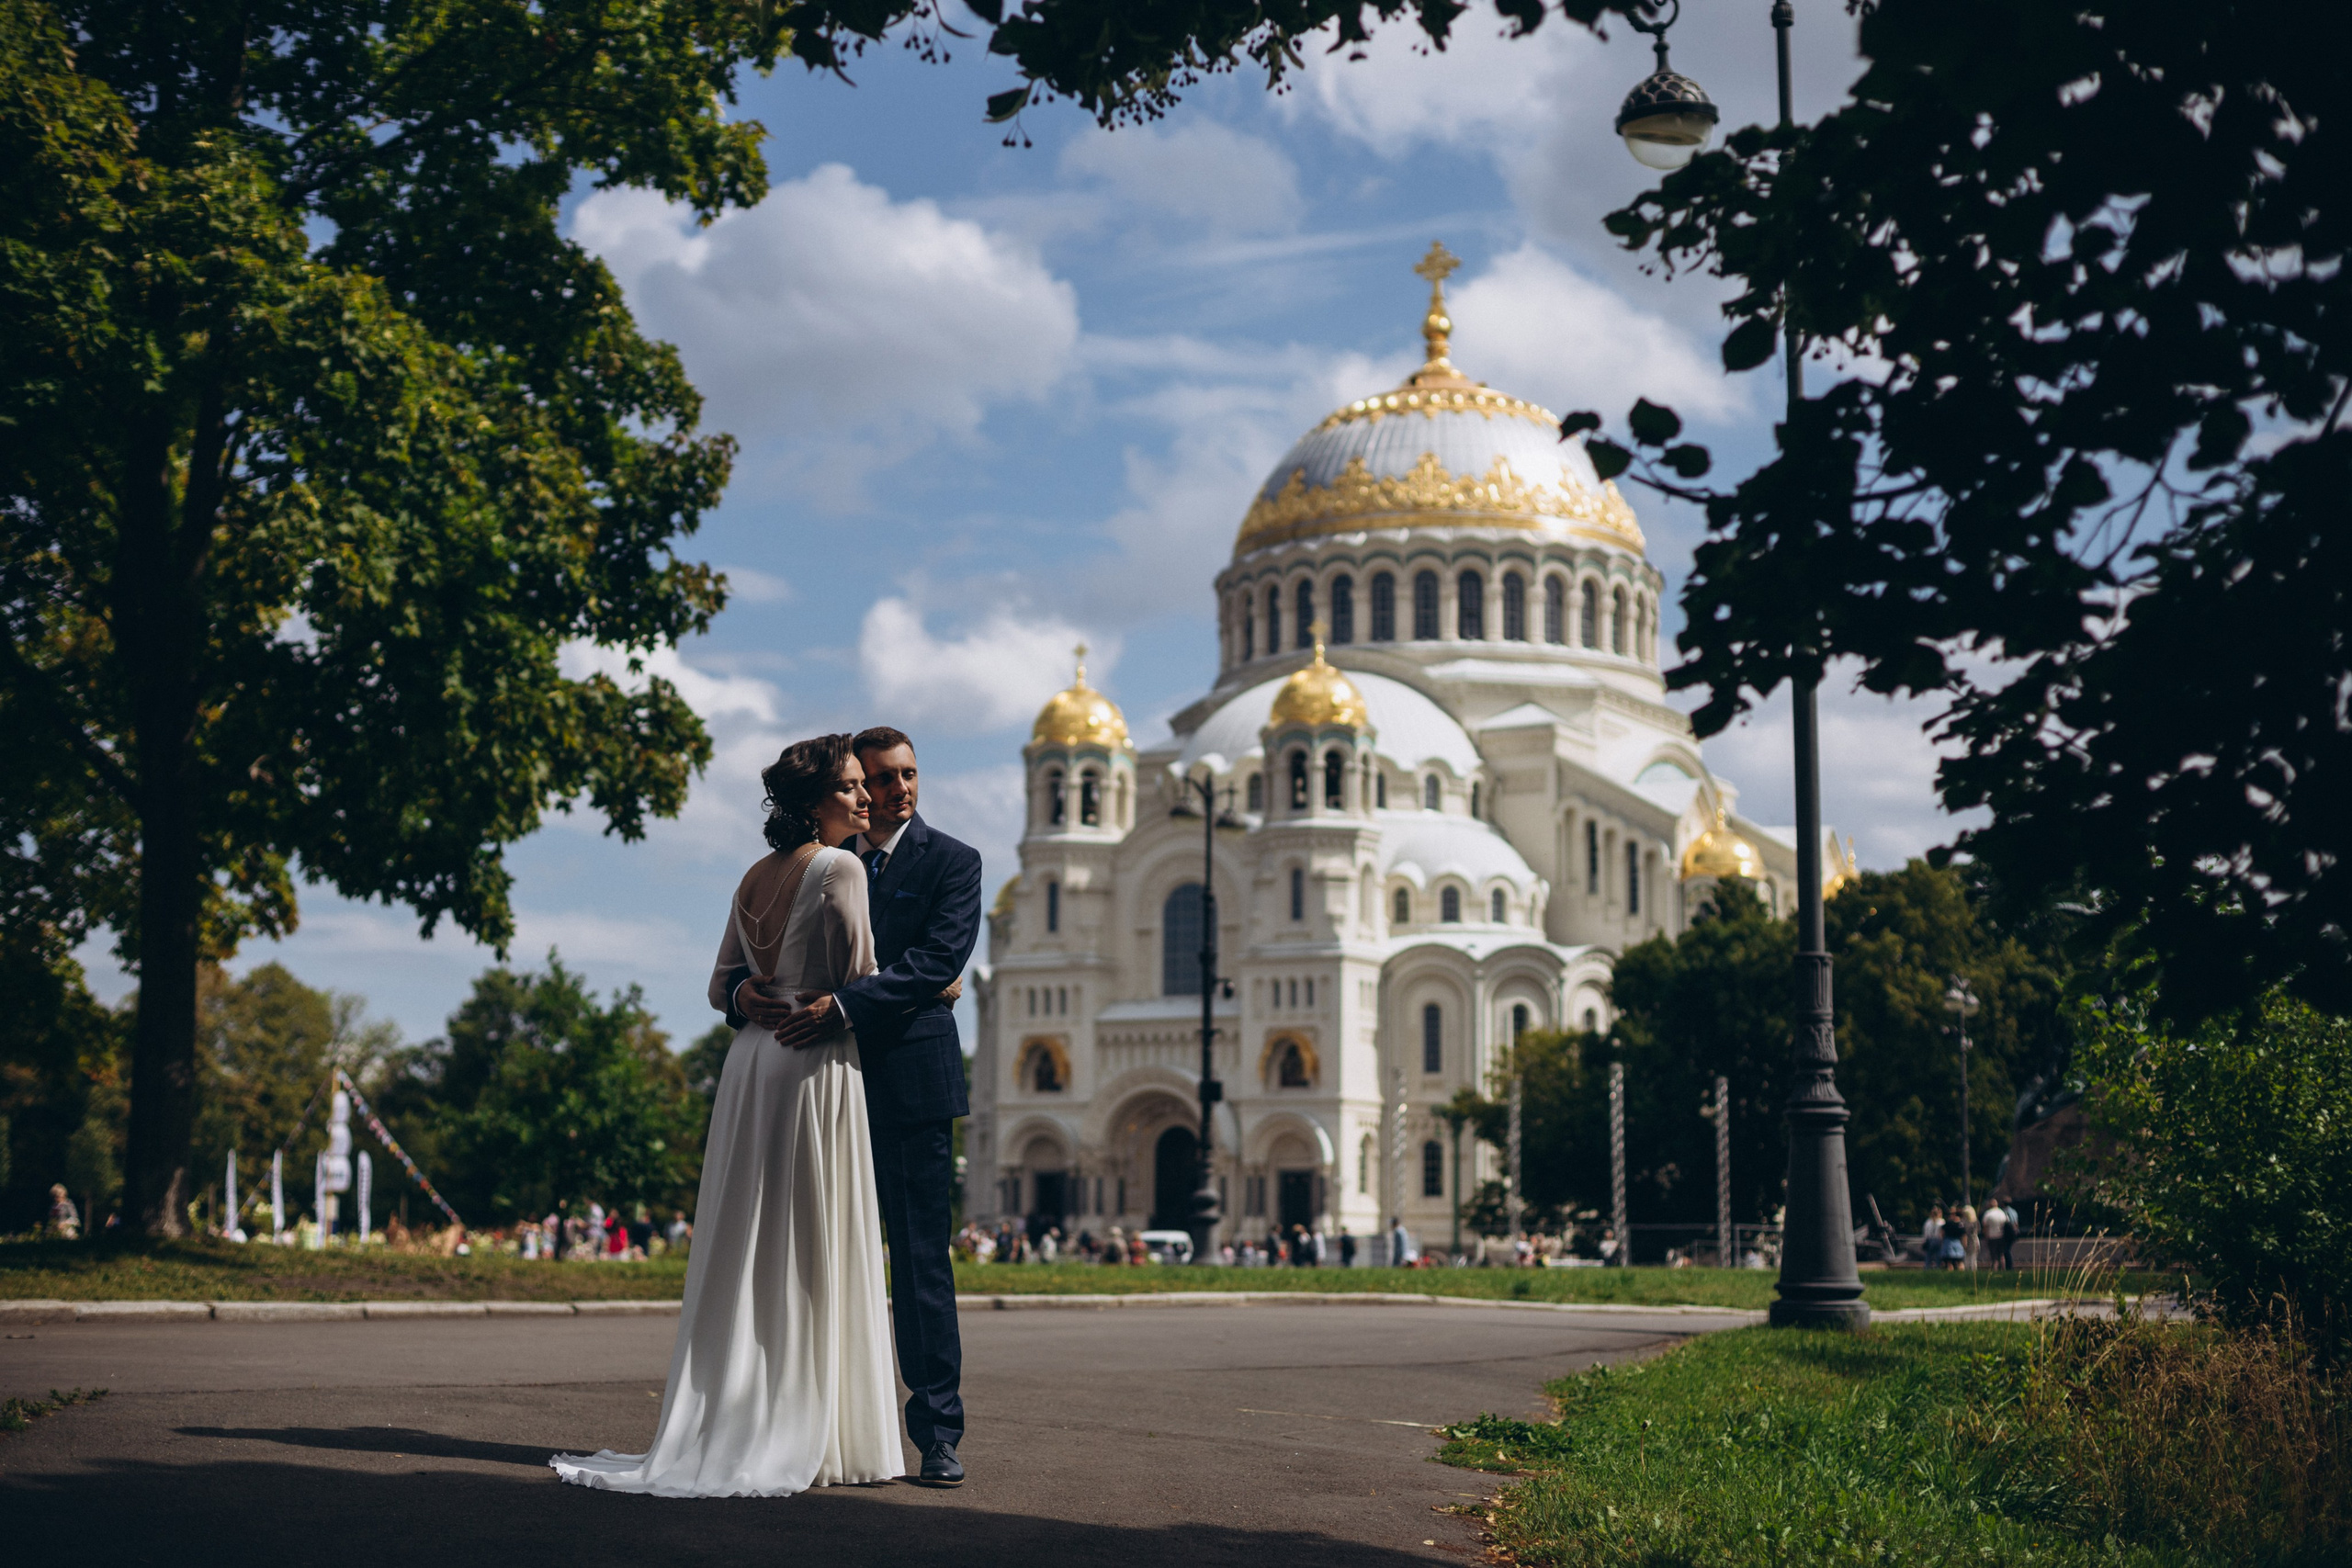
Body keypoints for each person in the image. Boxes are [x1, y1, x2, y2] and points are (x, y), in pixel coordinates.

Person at [551, 733, 901, 1497]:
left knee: (751, 1232)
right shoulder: (841, 867)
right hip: (812, 1061)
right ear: (814, 803)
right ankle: (818, 1426)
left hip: (750, 1063)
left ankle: (749, 1405)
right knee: (808, 1234)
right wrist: (928, 990)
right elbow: (860, 979)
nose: (864, 797)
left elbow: (723, 985)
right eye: (849, 788)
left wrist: (750, 997)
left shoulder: (754, 873)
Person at [745, 727, 982, 1490]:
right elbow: (770, 958)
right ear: (856, 784)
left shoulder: (952, 862)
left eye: (910, 773)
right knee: (814, 1255)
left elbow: (937, 963)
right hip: (817, 1081)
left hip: (907, 1082)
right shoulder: (820, 861)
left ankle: (938, 1432)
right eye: (882, 777)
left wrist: (841, 1005)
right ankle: (807, 1424)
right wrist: (750, 999)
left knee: (918, 1263)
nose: (900, 789)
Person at [1920, 1205, 1946, 1269]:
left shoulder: (1929, 1222)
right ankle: (1934, 1267)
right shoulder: (1940, 1221)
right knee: (1934, 1255)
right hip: (1935, 1239)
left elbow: (1925, 1233)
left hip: (1933, 1239)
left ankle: (1929, 1267)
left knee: (1932, 1255)